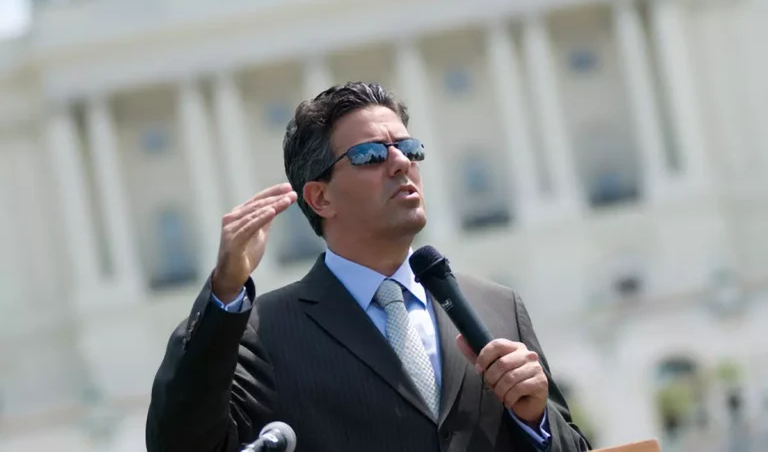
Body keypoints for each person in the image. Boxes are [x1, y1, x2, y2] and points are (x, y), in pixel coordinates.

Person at [146, 82, 591, 452]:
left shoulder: (495, 307)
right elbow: (181, 443)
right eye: (370, 155)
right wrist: (225, 292)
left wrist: (535, 419)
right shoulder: (263, 334)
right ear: (320, 197)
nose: (400, 163)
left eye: (409, 149)